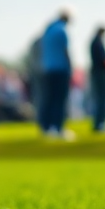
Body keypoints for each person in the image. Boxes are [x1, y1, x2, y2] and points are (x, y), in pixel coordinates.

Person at [40, 7, 73, 139]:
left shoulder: (48, 30)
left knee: (49, 99)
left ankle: (46, 127)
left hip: (48, 69)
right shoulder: (62, 30)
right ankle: (58, 128)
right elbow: (66, 51)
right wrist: (70, 66)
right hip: (60, 69)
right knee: (59, 100)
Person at [88, 26, 105, 132]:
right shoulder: (98, 42)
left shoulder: (94, 41)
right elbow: (103, 59)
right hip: (100, 73)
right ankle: (100, 123)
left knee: (100, 98)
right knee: (102, 98)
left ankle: (99, 123)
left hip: (96, 72)